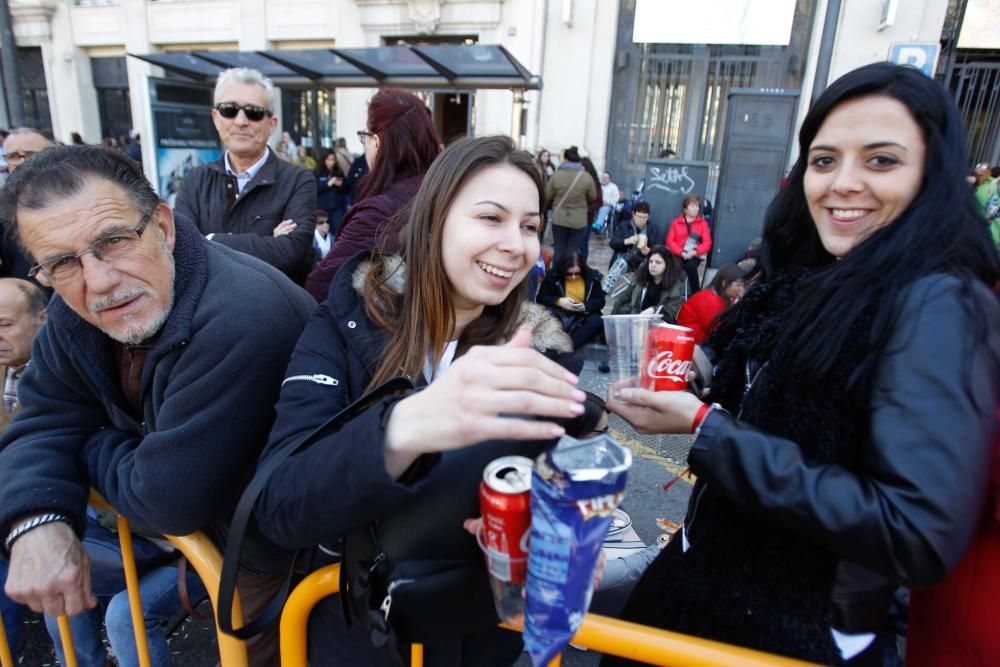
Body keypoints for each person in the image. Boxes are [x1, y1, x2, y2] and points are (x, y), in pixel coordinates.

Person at [602, 63, 999, 666]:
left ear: (933, 175)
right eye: (824, 160)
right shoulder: (825, 276)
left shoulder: (937, 299)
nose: (843, 183)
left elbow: (913, 531)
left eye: (881, 160)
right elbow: (787, 405)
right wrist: (695, 381)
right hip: (710, 592)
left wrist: (705, 429)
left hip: (792, 634)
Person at [252, 135, 584, 666]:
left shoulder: (541, 360)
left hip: (475, 639)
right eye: (491, 218)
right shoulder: (346, 319)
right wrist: (406, 425)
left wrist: (543, 520)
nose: (516, 245)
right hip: (358, 637)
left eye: (529, 227)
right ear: (435, 219)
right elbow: (278, 504)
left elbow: (546, 507)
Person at [0, 145, 316, 667]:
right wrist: (36, 518)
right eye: (61, 262)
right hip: (221, 548)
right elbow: (41, 417)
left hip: (279, 566)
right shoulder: (70, 308)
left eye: (114, 241)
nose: (98, 279)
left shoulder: (245, 314)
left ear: (164, 228)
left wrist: (89, 438)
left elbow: (166, 497)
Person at [175, 67, 317, 283]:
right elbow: (181, 250)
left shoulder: (297, 181)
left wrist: (210, 239)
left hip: (273, 309)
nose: (241, 121)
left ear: (272, 124)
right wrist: (268, 242)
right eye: (229, 110)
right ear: (215, 118)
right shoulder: (194, 180)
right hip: (207, 311)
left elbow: (292, 252)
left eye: (253, 112)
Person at [304, 89, 440, 300]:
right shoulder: (439, 189)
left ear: (377, 141)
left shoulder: (380, 213)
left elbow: (321, 287)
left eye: (364, 136)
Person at [0, 278, 47, 656]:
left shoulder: (58, 370)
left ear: (41, 318)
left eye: (4, 325)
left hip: (58, 511)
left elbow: (29, 448)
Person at [1, 129, 54, 287]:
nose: (21, 162)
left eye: (31, 155)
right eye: (13, 156)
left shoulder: (79, 197)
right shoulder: (3, 208)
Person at [537, 250, 606, 350]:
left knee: (597, 321)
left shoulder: (593, 277)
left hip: (583, 315)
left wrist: (585, 306)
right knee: (548, 316)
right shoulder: (552, 276)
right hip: (560, 313)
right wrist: (559, 301)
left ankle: (569, 346)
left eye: (577, 273)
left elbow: (600, 301)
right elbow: (541, 298)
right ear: (563, 271)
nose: (573, 277)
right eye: (569, 274)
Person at [545, 146, 596, 264]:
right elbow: (593, 196)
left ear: (566, 160)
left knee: (559, 249)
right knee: (573, 251)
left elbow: (548, 195)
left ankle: (556, 277)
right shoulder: (586, 177)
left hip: (559, 219)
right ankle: (569, 276)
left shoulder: (556, 175)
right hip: (579, 221)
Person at [674, 262, 746, 343]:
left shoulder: (725, 298)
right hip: (687, 344)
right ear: (724, 283)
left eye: (743, 285)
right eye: (738, 285)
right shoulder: (709, 299)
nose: (741, 289)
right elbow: (719, 332)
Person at [611, 245, 684, 320]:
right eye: (651, 262)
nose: (653, 265)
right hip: (635, 321)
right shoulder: (641, 278)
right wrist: (613, 320)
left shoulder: (675, 285)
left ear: (667, 265)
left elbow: (671, 313)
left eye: (658, 262)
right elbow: (621, 299)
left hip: (658, 326)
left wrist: (654, 310)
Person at [665, 194, 713, 290]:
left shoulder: (703, 224)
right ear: (685, 209)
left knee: (690, 266)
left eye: (697, 206)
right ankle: (671, 291)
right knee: (674, 265)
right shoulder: (676, 223)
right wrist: (681, 252)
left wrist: (695, 252)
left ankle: (696, 293)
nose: (696, 209)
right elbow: (670, 241)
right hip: (678, 254)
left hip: (694, 255)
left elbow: (707, 242)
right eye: (692, 206)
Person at [578, 157, 603, 263]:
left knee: (582, 244)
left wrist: (587, 209)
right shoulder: (577, 179)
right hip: (575, 218)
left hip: (586, 218)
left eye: (580, 166)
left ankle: (582, 266)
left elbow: (599, 201)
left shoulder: (593, 181)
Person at [315, 150, 347, 232]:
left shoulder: (338, 172)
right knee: (323, 232)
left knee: (337, 231)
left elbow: (347, 189)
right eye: (328, 160)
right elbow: (314, 188)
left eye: (333, 160)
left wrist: (341, 185)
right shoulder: (317, 173)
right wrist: (327, 184)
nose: (331, 162)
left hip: (337, 208)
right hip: (323, 208)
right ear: (324, 160)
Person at [597, 171, 621, 235]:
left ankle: (598, 226)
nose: (604, 179)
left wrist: (607, 202)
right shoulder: (597, 186)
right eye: (603, 177)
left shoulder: (613, 187)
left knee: (604, 208)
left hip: (608, 206)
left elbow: (616, 198)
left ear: (610, 179)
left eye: (606, 177)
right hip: (596, 205)